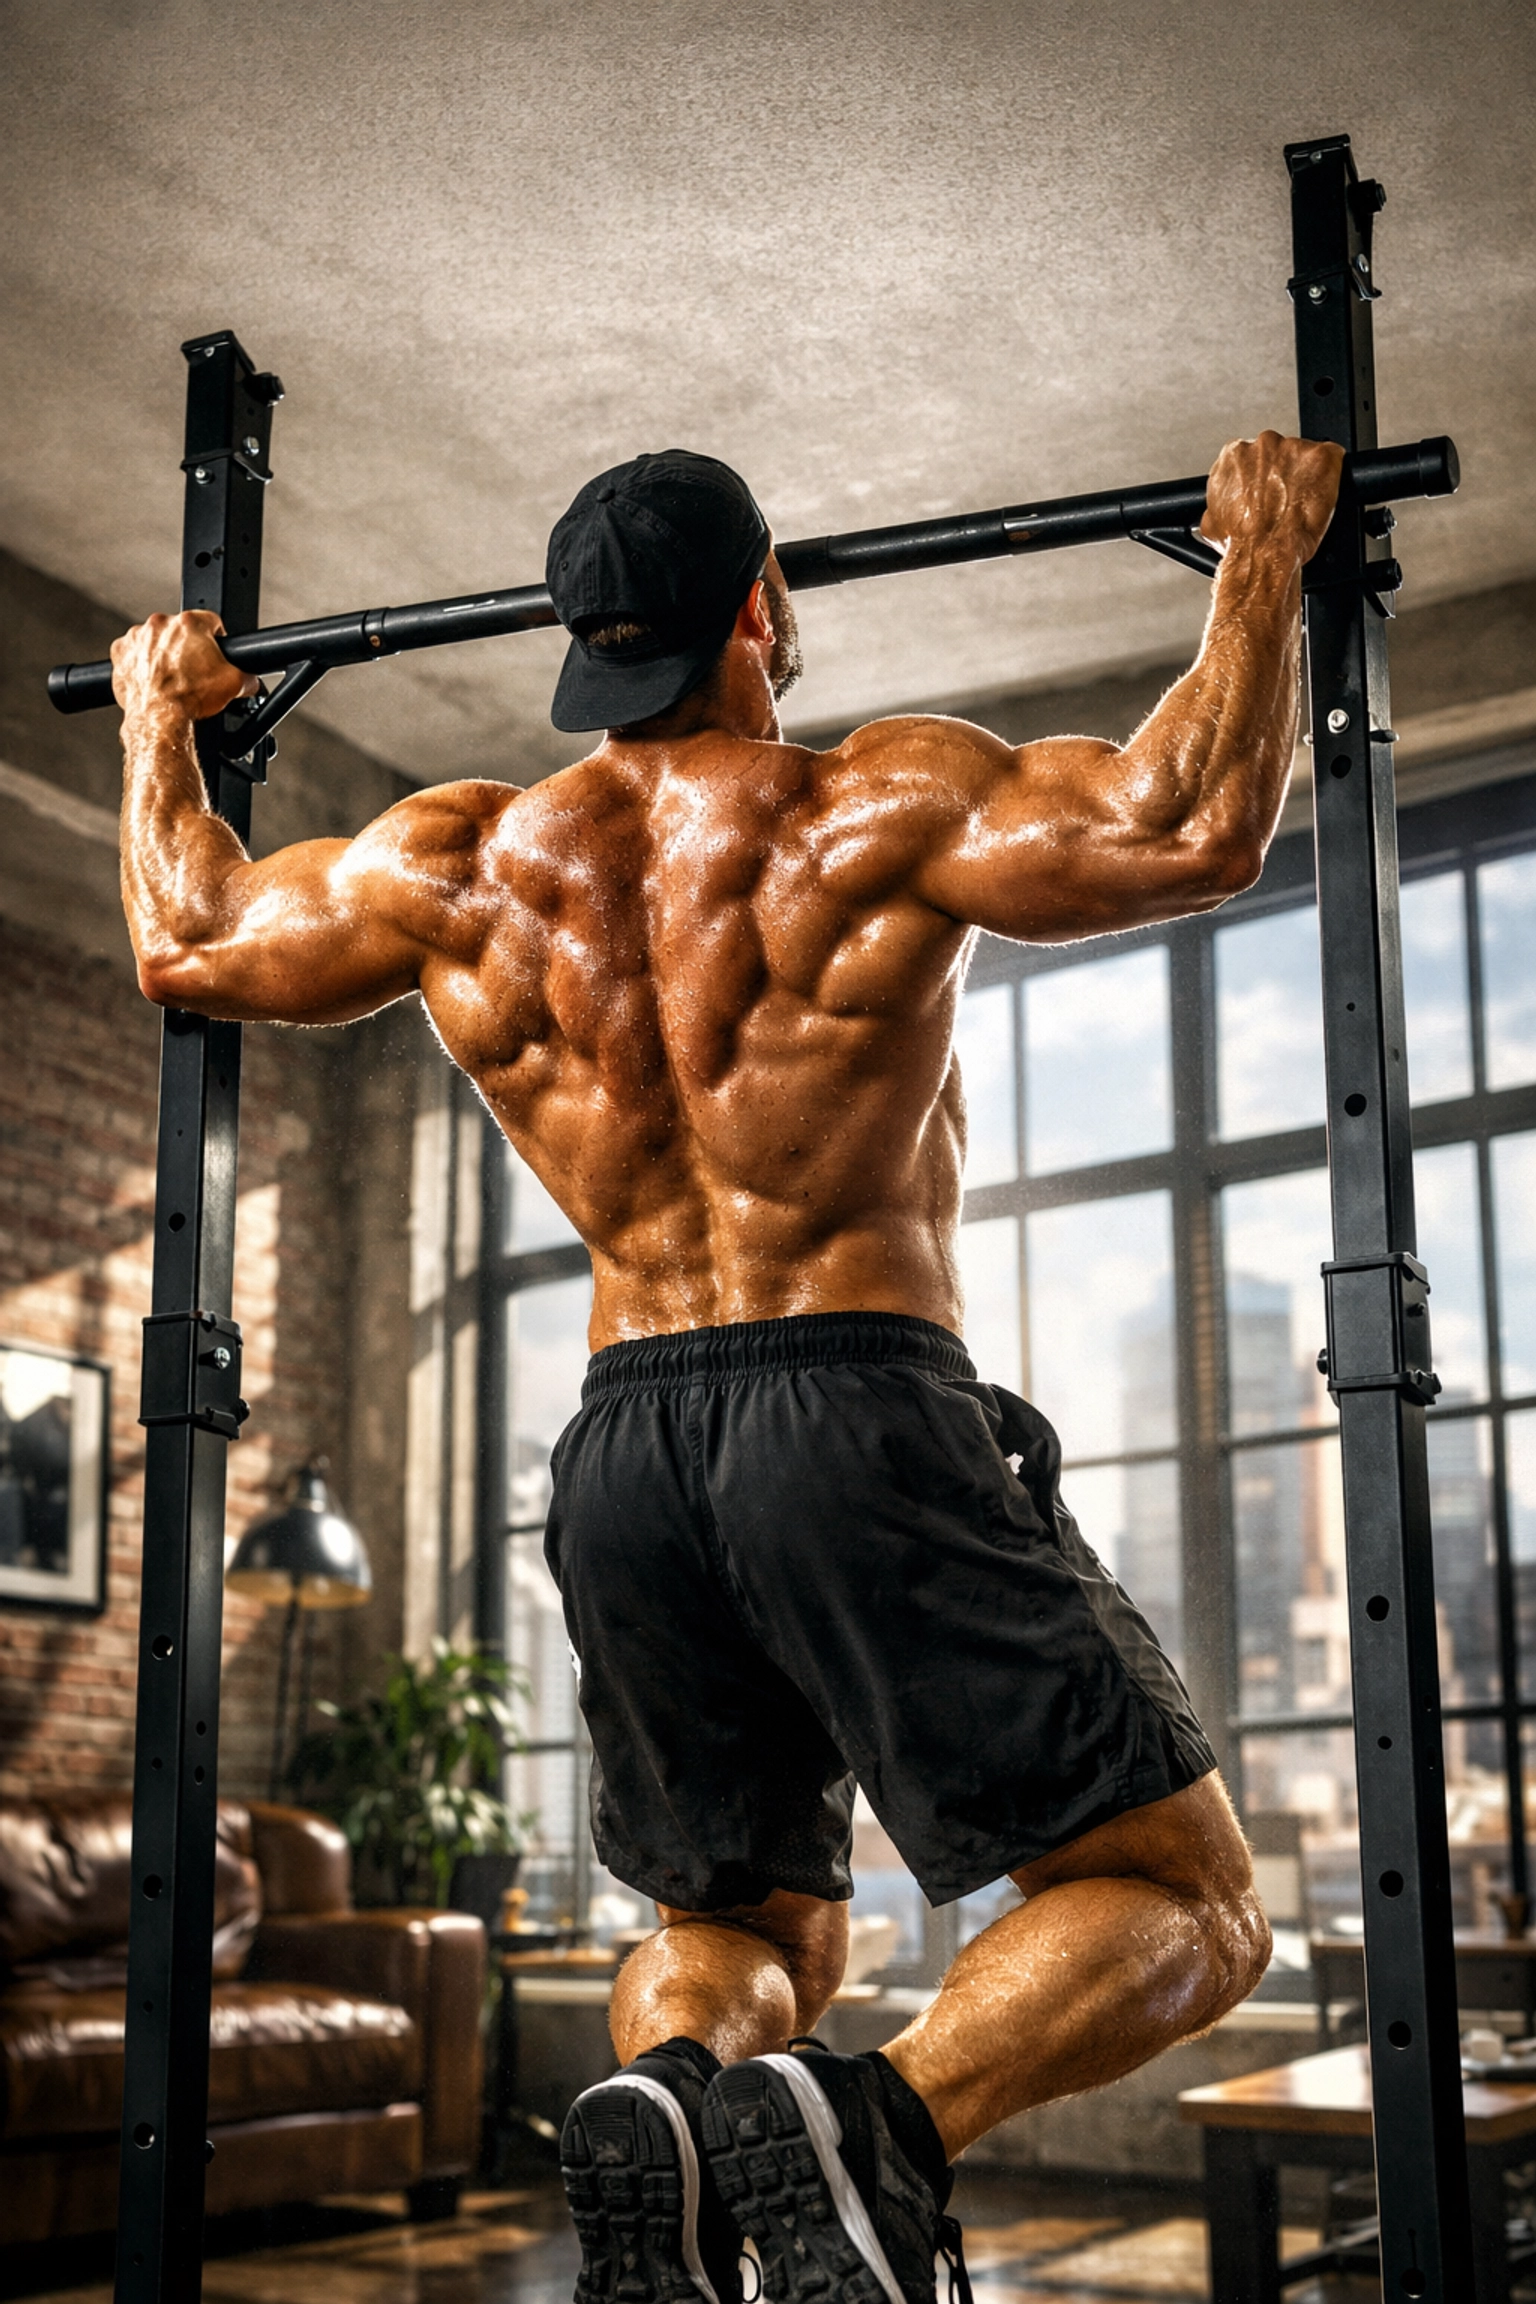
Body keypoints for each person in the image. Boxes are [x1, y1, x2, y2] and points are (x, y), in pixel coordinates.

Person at [112, 430, 1342, 2304]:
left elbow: (184, 937)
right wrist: (1262, 561)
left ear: (579, 648)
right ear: (761, 604)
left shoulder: (464, 859)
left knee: (738, 1924)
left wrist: (154, 721)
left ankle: (675, 2109)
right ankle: (886, 2131)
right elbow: (1187, 821)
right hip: (849, 1388)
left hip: (625, 1453)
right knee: (1195, 1899)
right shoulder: (861, 806)